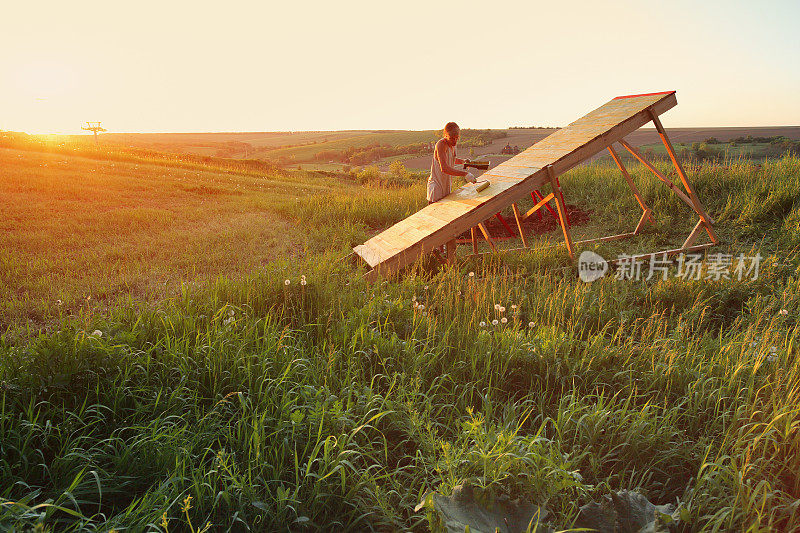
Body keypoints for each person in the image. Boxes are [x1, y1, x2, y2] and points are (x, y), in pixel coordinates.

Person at [427, 122, 476, 204]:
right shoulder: (441, 144)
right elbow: (444, 168)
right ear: (445, 135)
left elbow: (451, 158)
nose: (455, 141)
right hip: (436, 189)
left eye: (457, 138)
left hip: (446, 187)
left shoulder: (453, 145)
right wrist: (465, 174)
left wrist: (462, 161)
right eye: (452, 138)